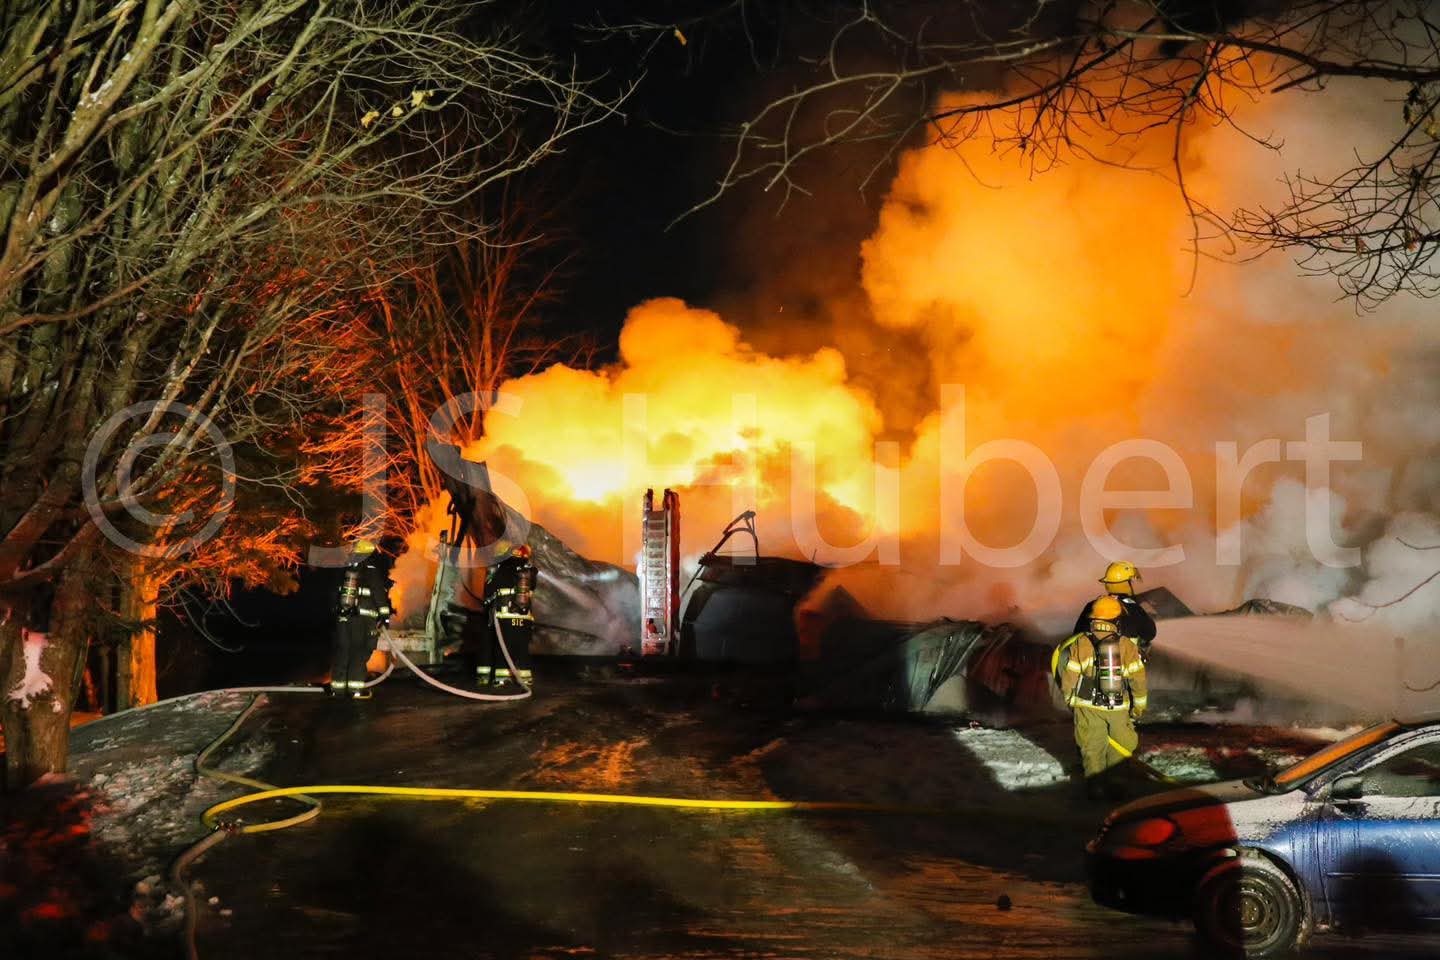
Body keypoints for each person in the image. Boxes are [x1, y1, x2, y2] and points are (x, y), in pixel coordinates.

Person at [1057, 595, 1148, 799]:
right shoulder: (1127, 645)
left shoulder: (1081, 643)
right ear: (1116, 620)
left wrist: (1070, 700)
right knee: (1121, 745)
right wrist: (1138, 707)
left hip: (1087, 707)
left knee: (1091, 746)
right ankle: (1117, 784)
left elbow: (1069, 677)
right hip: (1117, 707)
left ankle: (1095, 787)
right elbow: (1138, 680)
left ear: (1094, 618)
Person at [329, 539, 393, 698]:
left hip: (343, 617)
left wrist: (338, 612)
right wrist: (385, 616)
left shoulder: (344, 569)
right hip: (361, 619)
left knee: (343, 651)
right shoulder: (370, 569)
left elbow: (333, 593)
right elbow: (378, 593)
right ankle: (355, 690)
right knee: (359, 651)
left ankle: (337, 690)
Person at [478, 543, 536, 688]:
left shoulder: (500, 569)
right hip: (525, 618)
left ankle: (502, 678)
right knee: (522, 649)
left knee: (502, 648)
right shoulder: (529, 571)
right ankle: (525, 678)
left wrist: (488, 602)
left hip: (505, 616)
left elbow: (490, 590)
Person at [1072, 560, 1156, 660]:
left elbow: (1076, 634)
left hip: (1092, 664)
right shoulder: (1133, 607)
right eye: (1130, 582)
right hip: (1126, 661)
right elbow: (1150, 633)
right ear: (1126, 584)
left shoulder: (1091, 605)